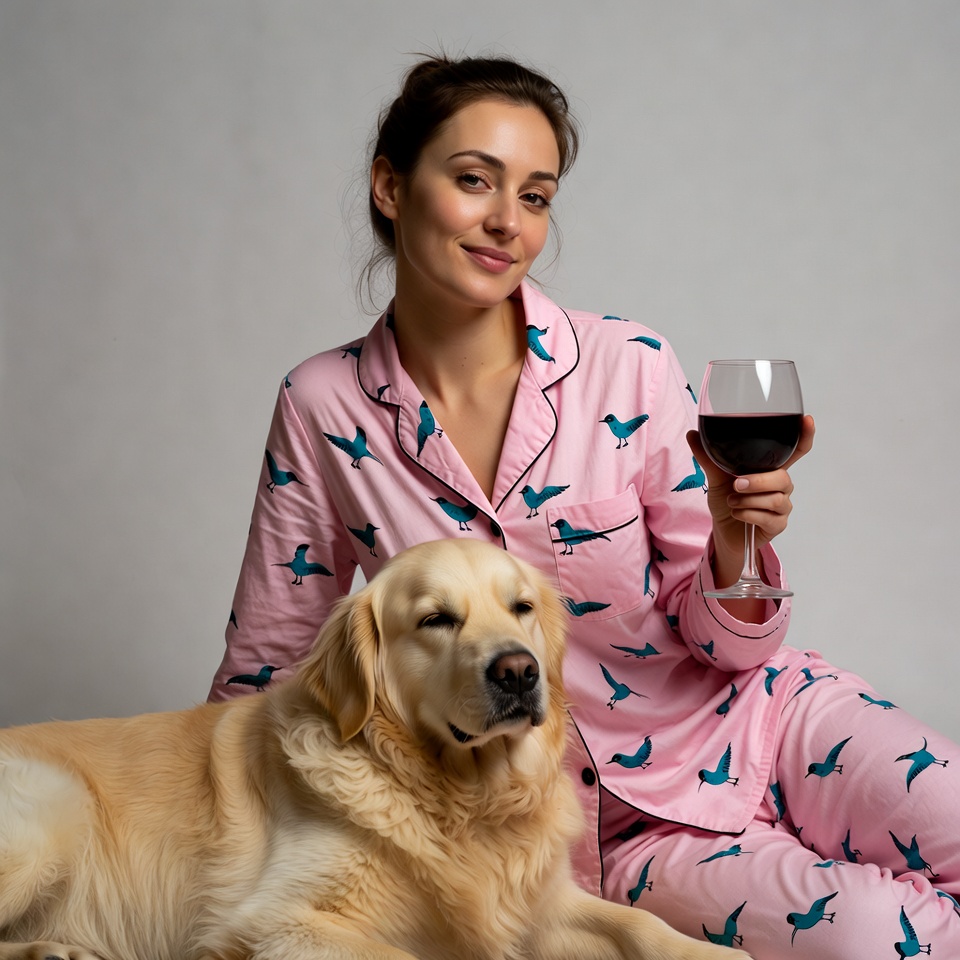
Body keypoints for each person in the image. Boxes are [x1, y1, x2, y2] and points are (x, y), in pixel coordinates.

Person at [209, 53, 960, 958]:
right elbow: (269, 666)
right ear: (390, 187)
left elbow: (734, 644)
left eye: (535, 195)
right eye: (474, 180)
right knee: (879, 940)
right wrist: (199, 849)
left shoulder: (626, 363)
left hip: (769, 719)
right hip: (602, 838)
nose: (506, 222)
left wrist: (734, 542)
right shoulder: (323, 404)